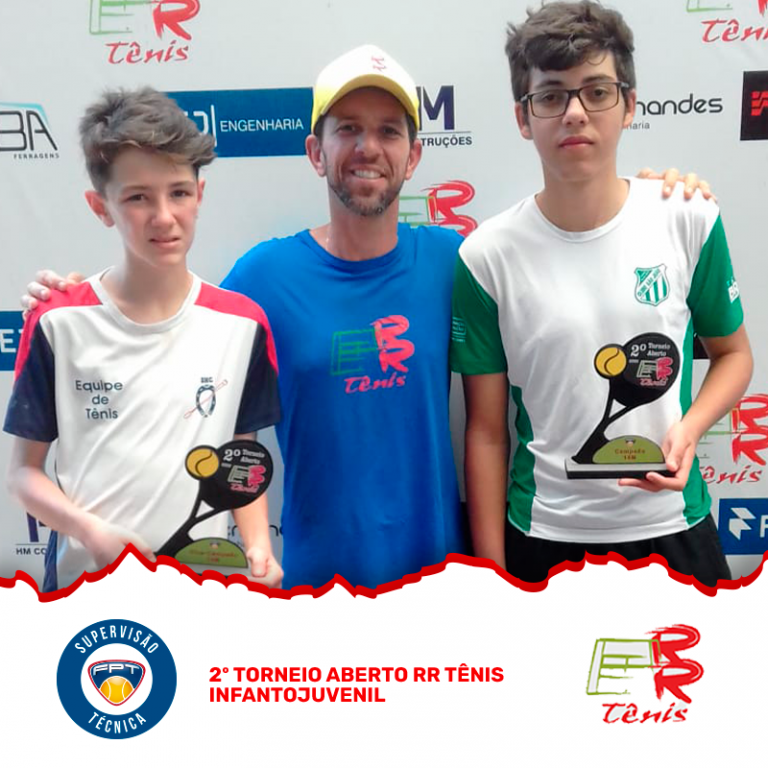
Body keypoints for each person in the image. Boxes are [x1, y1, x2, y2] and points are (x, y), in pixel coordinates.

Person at [20, 46, 713, 591]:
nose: (367, 147)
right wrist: (79, 298)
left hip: (445, 577)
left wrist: (656, 200)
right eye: (347, 129)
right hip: (314, 585)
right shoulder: (263, 278)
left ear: (414, 155)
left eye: (387, 131)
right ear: (315, 151)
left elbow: (571, 273)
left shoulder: (459, 260)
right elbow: (169, 322)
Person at [449, 1, 753, 587]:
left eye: (596, 92)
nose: (575, 113)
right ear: (523, 117)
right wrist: (491, 580)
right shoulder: (486, 256)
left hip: (673, 526)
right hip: (544, 536)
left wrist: (689, 430)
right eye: (551, 95)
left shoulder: (688, 218)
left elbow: (734, 355)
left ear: (629, 105)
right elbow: (484, 430)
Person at [4, 87, 282, 592]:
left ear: (200, 195)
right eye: (138, 197)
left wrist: (259, 548)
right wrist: (92, 533)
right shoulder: (58, 321)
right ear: (101, 206)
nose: (164, 216)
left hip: (198, 594)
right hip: (85, 591)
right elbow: (23, 474)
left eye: (178, 192)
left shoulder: (242, 324)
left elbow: (242, 463)